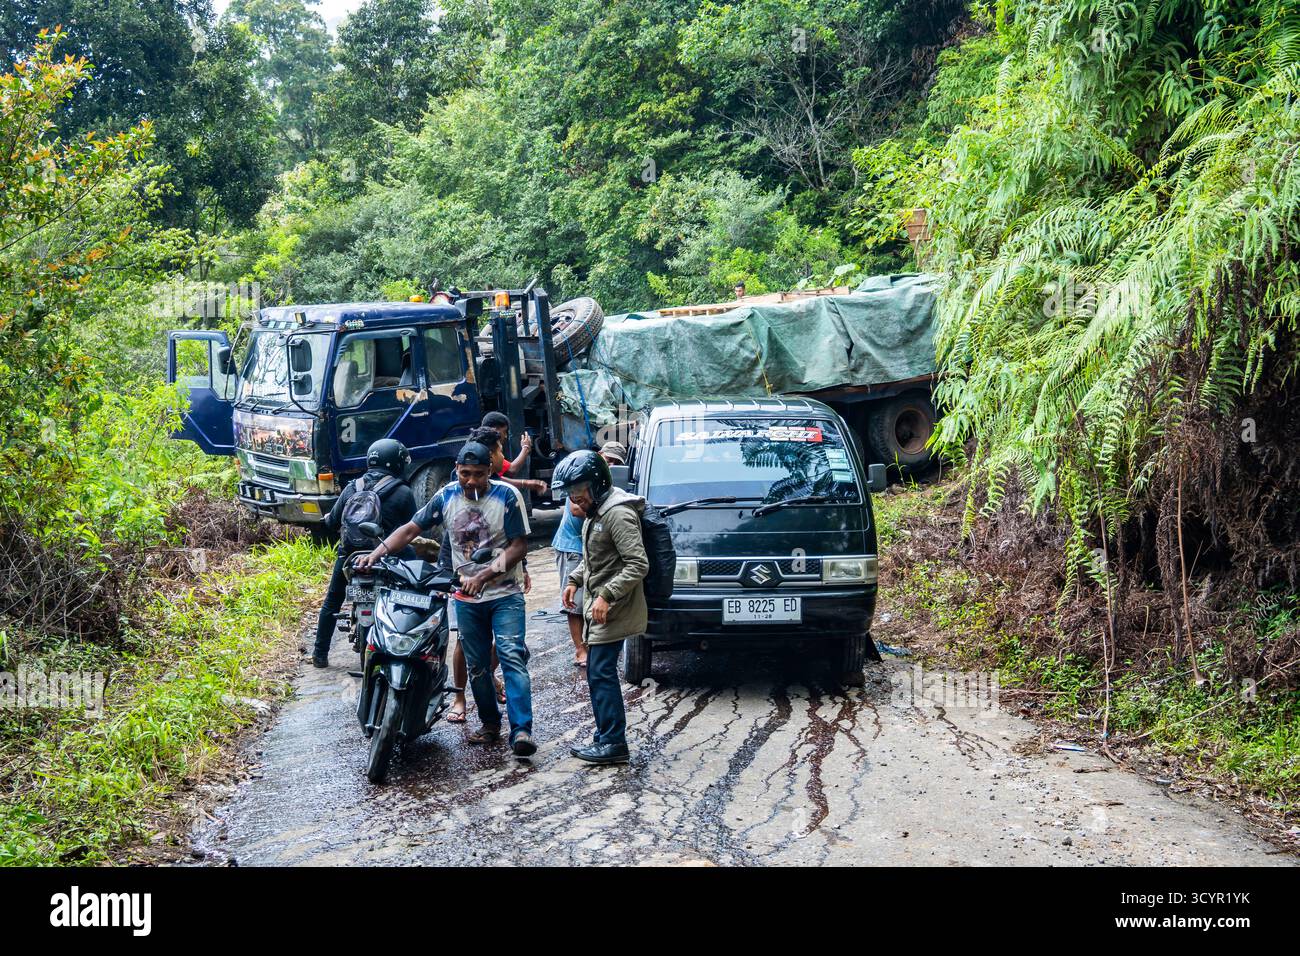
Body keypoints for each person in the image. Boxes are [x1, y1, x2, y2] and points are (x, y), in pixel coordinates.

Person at [358, 441, 537, 758]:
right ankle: (490, 724)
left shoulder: (508, 497)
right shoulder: (445, 497)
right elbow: (411, 529)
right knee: (477, 665)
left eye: (478, 474)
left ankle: (522, 729)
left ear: (490, 472)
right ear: (456, 470)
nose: (471, 481)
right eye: (465, 473)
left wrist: (482, 576)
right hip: (465, 598)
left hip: (505, 594)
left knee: (510, 655)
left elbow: (519, 546)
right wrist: (376, 553)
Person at [556, 449, 649, 765]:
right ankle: (605, 737)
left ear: (596, 486)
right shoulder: (596, 514)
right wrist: (574, 579)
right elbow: (596, 559)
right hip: (601, 608)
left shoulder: (617, 514)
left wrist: (607, 595)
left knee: (600, 672)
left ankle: (613, 743)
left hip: (615, 608)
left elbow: (637, 564)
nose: (575, 503)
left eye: (579, 495)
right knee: (598, 673)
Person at [312, 439, 416, 668]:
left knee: (332, 601)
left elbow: (332, 521)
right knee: (411, 592)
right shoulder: (403, 492)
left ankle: (319, 654)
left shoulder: (352, 487)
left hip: (350, 556)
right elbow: (413, 528)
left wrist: (328, 520)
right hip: (387, 557)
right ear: (397, 462)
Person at [552, 441, 627, 669]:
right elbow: (576, 509)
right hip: (572, 545)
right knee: (574, 602)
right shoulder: (581, 477)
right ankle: (579, 649)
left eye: (616, 463)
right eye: (608, 459)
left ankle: (592, 643)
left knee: (593, 596)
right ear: (598, 456)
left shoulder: (608, 487)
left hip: (593, 545)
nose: (610, 464)